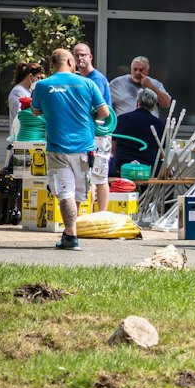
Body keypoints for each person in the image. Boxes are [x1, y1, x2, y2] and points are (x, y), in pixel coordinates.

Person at [30, 47, 112, 251]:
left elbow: (34, 111)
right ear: (69, 61)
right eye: (73, 59)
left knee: (65, 193)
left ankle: (70, 235)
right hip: (84, 146)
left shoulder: (42, 85)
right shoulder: (88, 83)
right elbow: (104, 112)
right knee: (77, 195)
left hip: (58, 146)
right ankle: (70, 234)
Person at [72, 42, 113, 211]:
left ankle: (102, 214)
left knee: (99, 175)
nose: (80, 58)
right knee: (82, 175)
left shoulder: (96, 79)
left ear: (90, 57)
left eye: (83, 54)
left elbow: (101, 110)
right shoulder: (77, 79)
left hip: (100, 134)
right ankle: (80, 217)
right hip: (84, 134)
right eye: (77, 55)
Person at [113, 88, 166, 179]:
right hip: (149, 169)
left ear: (137, 102)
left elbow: (113, 148)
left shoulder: (121, 119)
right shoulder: (159, 124)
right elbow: (161, 154)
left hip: (122, 167)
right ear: (153, 106)